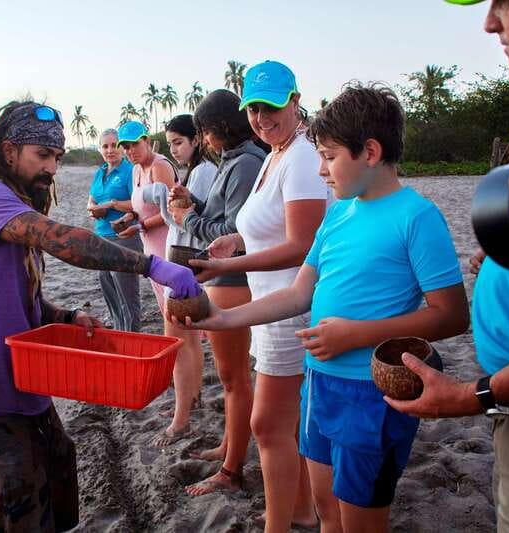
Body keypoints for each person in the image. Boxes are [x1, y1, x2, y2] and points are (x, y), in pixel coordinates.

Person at [172, 84, 470, 532]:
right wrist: (222, 318)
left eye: (329, 157)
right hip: (320, 383)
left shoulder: (417, 217)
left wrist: (355, 334)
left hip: (371, 393)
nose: (321, 170)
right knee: (327, 511)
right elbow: (298, 294)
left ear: (369, 152)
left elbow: (450, 315)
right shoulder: (337, 216)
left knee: (360, 520)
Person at [0, 101, 199, 532]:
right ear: (8, 151)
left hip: (29, 383)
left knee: (60, 480)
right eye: (42, 156)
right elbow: (63, 240)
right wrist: (152, 265)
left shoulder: (10, 204)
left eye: (57, 158)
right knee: (25, 511)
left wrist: (66, 314)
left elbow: (24, 300)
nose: (52, 169)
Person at [389, 2, 509, 531]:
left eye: (504, 2)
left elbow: (447, 314)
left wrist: (474, 394)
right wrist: (504, 261)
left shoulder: (415, 213)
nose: (489, 23)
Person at [191, 61, 327, 532]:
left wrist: (228, 265)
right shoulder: (277, 150)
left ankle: (282, 522)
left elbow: (302, 244)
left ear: (295, 99)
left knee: (267, 425)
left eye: (271, 106)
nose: (261, 118)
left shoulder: (304, 155)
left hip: (293, 305)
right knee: (288, 425)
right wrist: (237, 242)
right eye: (253, 109)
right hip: (273, 305)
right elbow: (270, 229)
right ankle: (300, 511)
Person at [168, 89, 266, 496]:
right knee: (231, 377)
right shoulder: (232, 160)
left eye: (206, 132)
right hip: (224, 280)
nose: (205, 140)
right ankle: (230, 444)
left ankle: (231, 469)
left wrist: (188, 218)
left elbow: (234, 234)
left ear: (221, 128)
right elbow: (221, 212)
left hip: (233, 280)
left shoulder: (245, 163)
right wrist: (195, 203)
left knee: (233, 378)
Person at [151, 114, 217, 447]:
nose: (175, 149)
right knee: (185, 339)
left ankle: (181, 419)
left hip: (185, 261)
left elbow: (189, 221)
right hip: (185, 259)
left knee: (177, 340)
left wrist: (171, 202)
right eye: (172, 142)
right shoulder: (197, 171)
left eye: (179, 141)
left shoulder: (204, 171)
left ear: (197, 140)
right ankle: (188, 401)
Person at [115, 121, 177, 313]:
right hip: (150, 246)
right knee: (163, 304)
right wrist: (129, 216)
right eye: (126, 147)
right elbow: (140, 206)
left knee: (175, 305)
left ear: (147, 141)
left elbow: (171, 211)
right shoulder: (135, 170)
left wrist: (140, 226)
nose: (130, 150)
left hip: (167, 244)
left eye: (135, 144)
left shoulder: (160, 166)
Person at [87, 128, 141, 331]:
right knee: (109, 290)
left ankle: (132, 337)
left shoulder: (130, 170)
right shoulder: (100, 171)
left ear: (121, 147)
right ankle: (119, 332)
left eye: (113, 145)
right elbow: (91, 198)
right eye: (105, 146)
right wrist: (91, 209)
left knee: (127, 294)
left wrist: (111, 204)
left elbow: (137, 205)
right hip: (101, 238)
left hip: (124, 237)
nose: (110, 150)